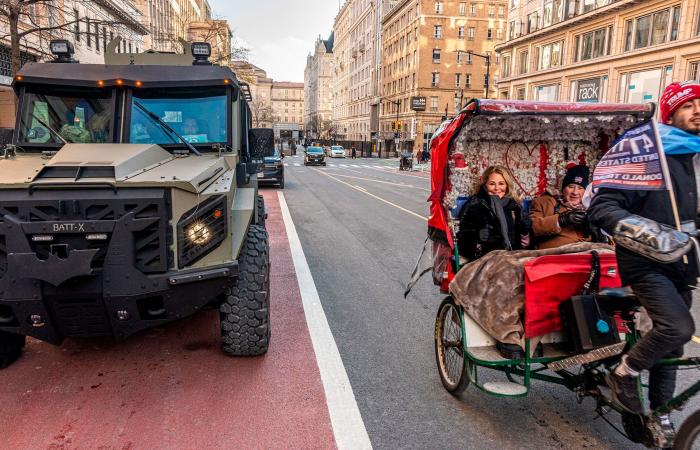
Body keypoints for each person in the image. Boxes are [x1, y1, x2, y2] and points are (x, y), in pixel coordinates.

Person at [588, 81, 700, 447]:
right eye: (688, 105)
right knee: (678, 328)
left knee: (671, 350)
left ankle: (660, 412)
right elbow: (603, 208)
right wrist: (654, 235)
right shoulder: (644, 153)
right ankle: (623, 374)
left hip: (684, 266)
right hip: (645, 264)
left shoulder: (695, 159)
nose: (697, 110)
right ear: (670, 113)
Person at [457, 165, 529, 263]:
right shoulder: (475, 205)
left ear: (507, 185)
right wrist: (477, 239)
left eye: (501, 184)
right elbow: (462, 242)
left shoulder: (514, 206)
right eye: (492, 184)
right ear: (485, 184)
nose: (497, 188)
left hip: (512, 260)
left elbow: (525, 243)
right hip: (486, 262)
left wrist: (525, 232)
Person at [530, 164, 591, 249]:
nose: (575, 192)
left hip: (587, 254)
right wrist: (562, 220)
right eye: (571, 187)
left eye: (580, 188)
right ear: (563, 189)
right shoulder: (544, 202)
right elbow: (532, 227)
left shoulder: (590, 208)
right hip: (556, 256)